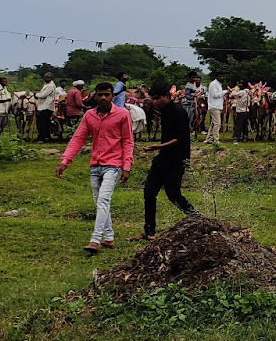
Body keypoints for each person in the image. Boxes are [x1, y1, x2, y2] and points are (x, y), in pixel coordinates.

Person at [55, 82, 133, 255]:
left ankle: (95, 239)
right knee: (99, 202)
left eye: (107, 94)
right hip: (96, 165)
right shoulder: (89, 115)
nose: (103, 98)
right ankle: (109, 236)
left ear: (112, 96)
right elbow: (78, 138)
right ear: (94, 96)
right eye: (100, 95)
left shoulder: (123, 115)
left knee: (104, 200)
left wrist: (126, 166)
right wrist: (65, 161)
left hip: (114, 164)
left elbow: (128, 141)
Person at [130, 83, 197, 241]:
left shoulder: (178, 112)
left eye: (158, 98)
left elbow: (182, 137)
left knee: (173, 194)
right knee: (149, 191)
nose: (155, 101)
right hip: (163, 157)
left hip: (176, 158)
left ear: (168, 96)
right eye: (152, 98)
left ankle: (199, 219)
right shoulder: (164, 111)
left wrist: (158, 146)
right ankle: (149, 231)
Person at [33, 72, 60, 142]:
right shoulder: (47, 85)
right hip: (45, 105)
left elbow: (43, 95)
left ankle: (42, 138)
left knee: (42, 123)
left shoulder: (50, 86)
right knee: (45, 123)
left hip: (46, 106)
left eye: (48, 77)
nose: (46, 78)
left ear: (51, 78)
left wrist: (36, 94)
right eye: (45, 77)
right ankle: (47, 137)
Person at [204, 74, 225, 144]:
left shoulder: (219, 84)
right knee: (217, 123)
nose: (222, 77)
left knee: (213, 123)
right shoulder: (213, 84)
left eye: (222, 76)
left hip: (218, 106)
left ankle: (208, 138)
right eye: (220, 76)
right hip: (214, 106)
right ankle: (216, 139)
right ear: (216, 77)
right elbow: (214, 95)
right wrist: (224, 92)